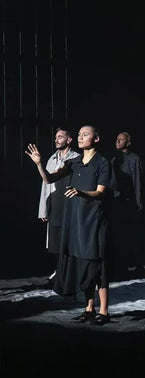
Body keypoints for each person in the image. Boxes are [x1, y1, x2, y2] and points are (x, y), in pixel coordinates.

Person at [26, 125, 114, 325]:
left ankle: (104, 311)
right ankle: (89, 308)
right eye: (80, 134)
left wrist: (80, 193)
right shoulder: (74, 163)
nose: (81, 137)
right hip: (76, 220)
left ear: (96, 139)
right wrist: (39, 164)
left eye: (85, 134)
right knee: (82, 263)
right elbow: (49, 179)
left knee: (97, 264)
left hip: (94, 220)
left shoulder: (102, 163)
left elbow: (100, 192)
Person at [37, 128, 80, 281]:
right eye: (56, 137)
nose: (57, 140)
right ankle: (59, 270)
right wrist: (43, 209)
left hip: (70, 206)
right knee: (55, 242)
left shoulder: (76, 158)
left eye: (60, 137)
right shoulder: (51, 159)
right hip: (55, 206)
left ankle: (70, 272)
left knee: (70, 241)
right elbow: (45, 185)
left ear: (69, 140)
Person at [111, 131, 145, 276]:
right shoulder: (114, 159)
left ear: (128, 142)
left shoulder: (134, 159)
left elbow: (138, 182)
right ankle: (122, 266)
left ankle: (138, 265)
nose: (118, 141)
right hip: (117, 202)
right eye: (117, 139)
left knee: (133, 234)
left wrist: (138, 202)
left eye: (121, 139)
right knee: (120, 235)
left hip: (130, 202)